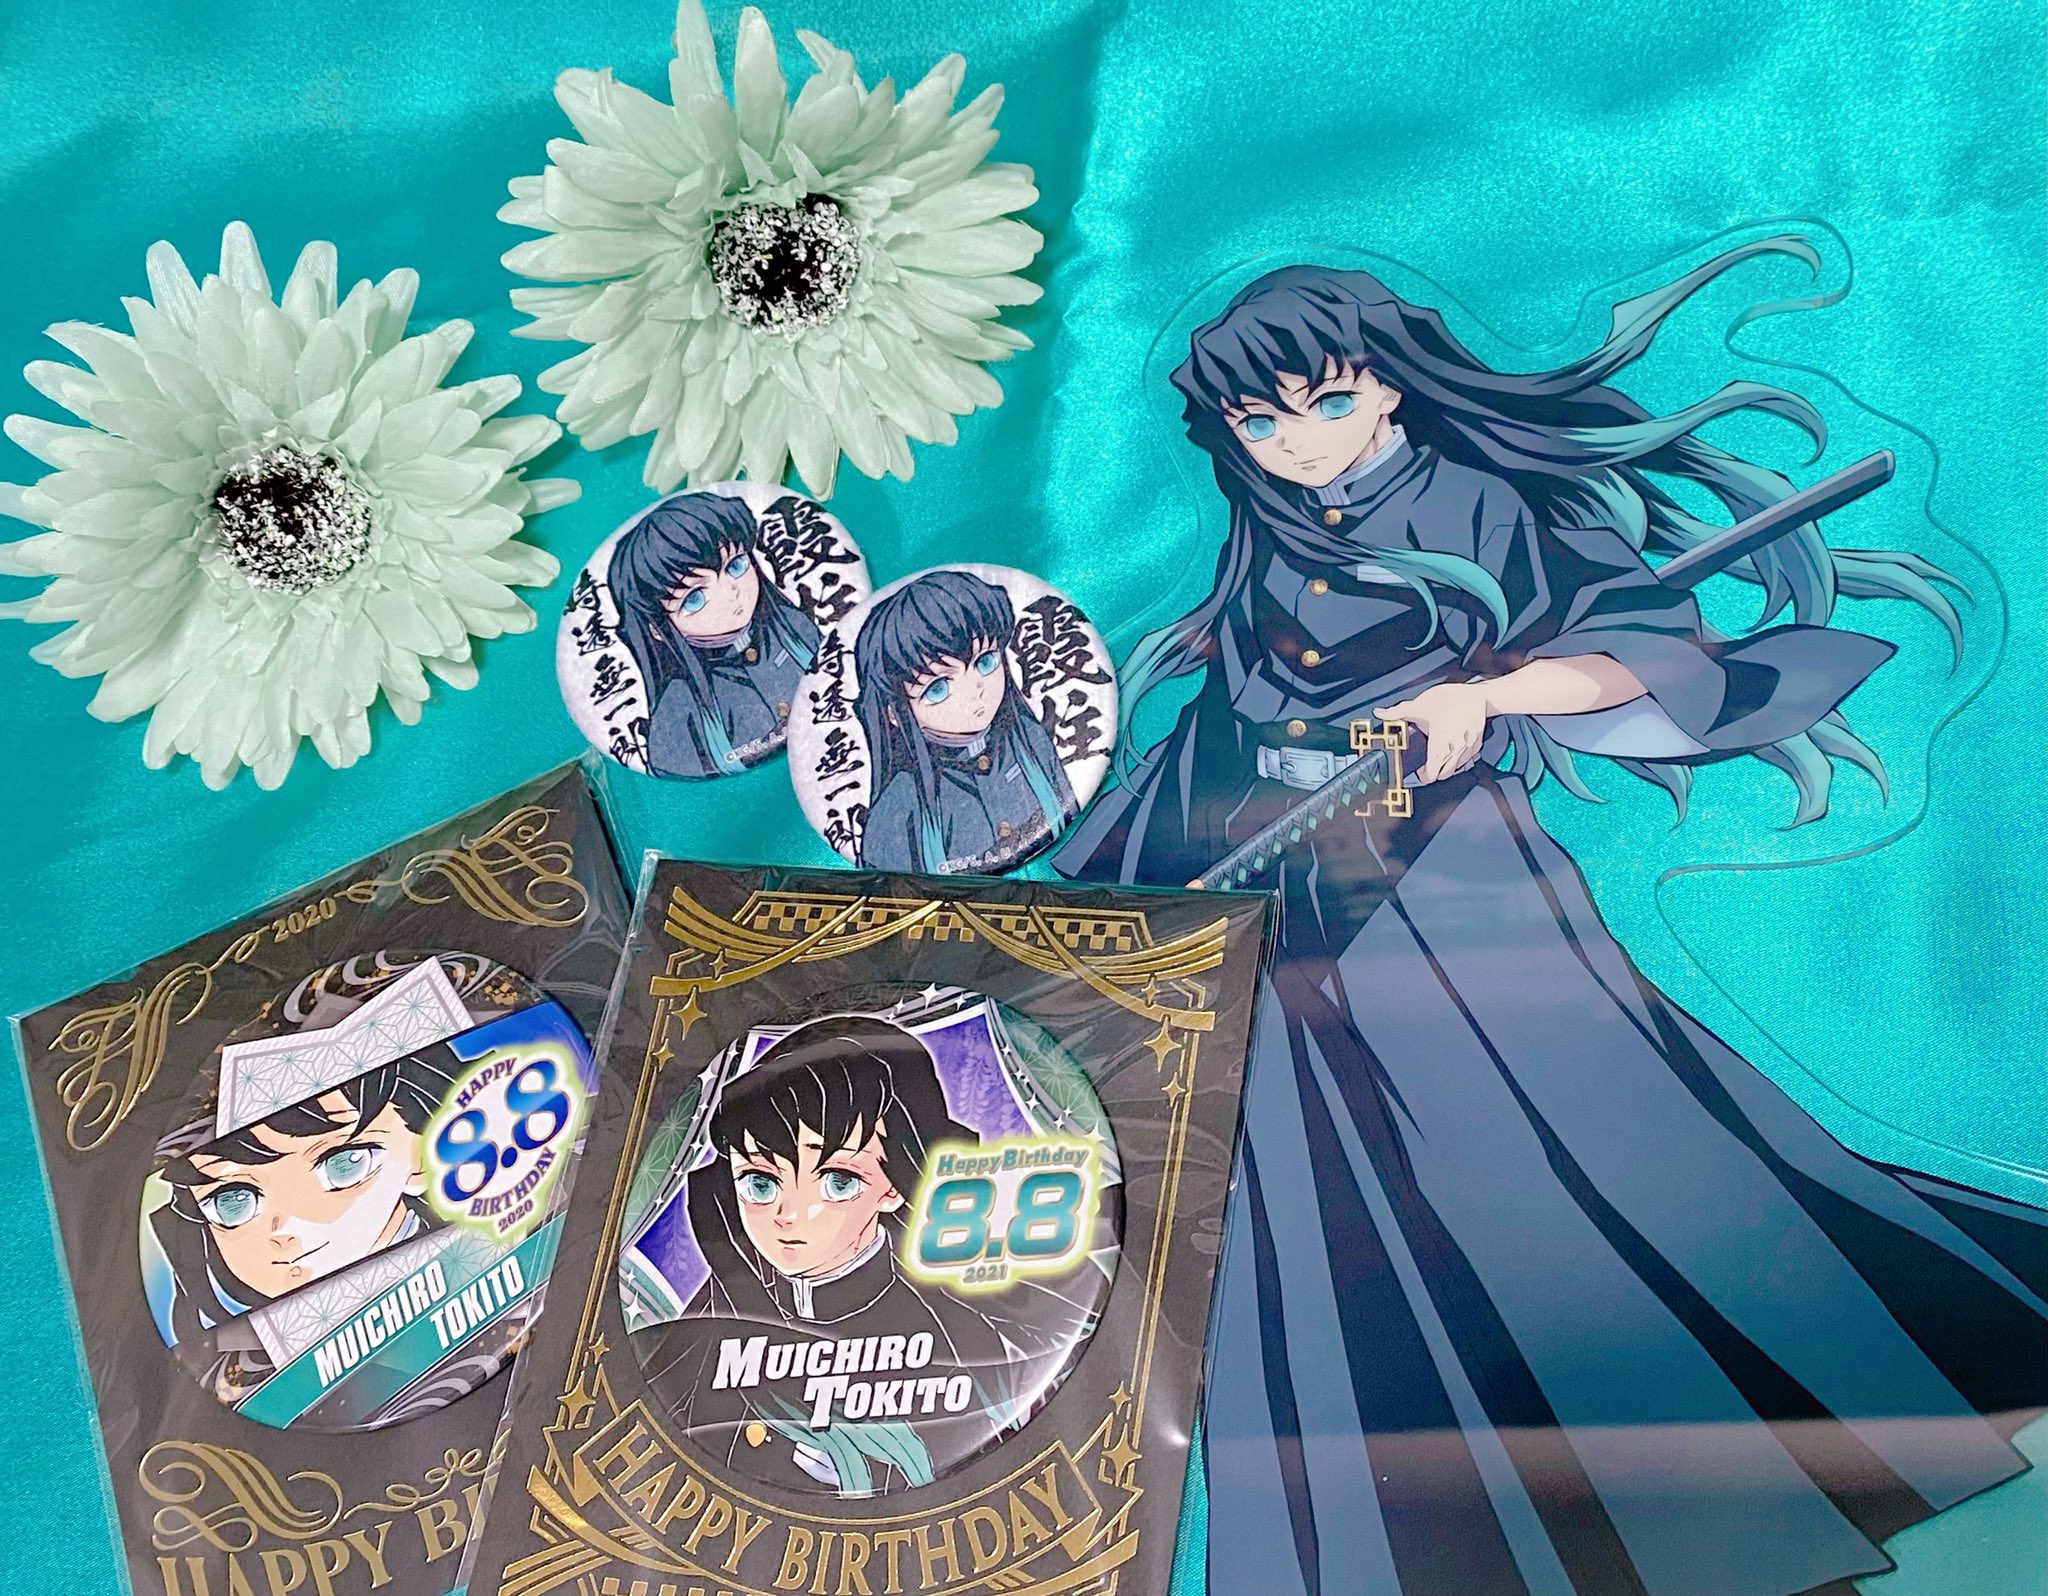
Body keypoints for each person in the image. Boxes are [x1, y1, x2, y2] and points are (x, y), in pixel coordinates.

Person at [1051, 240, 2048, 1596]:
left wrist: (1489, 695)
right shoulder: (1273, 524)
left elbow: (1637, 641)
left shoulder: (1474, 498)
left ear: (1388, 386)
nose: (1294, 443)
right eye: (1258, 423)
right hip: (1277, 885)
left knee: (1556, 1182)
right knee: (1319, 1218)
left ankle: (1695, 1510)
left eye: (1325, 404)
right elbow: (1233, 709)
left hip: (1443, 893)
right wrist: (1127, 870)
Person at [634, 1014, 1085, 1496]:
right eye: (761, 1184)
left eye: (838, 1182)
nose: (791, 1215)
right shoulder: (706, 1325)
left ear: (895, 1184)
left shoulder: (961, 1338)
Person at [852, 570, 1076, 873]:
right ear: (893, 713)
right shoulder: (899, 808)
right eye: (938, 688)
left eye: (985, 662)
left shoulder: (1030, 740)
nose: (975, 690)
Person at [611, 491, 820, 778]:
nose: (730, 592)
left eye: (735, 566)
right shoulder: (678, 712)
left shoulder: (793, 627)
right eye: (695, 598)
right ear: (656, 629)